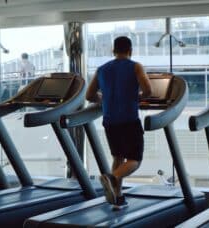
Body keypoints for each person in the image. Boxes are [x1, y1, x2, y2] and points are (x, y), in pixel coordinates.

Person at [86, 36, 152, 210]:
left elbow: (89, 95)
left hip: (109, 121)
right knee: (134, 159)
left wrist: (104, 99)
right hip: (129, 120)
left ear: (113, 51)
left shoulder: (101, 69)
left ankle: (117, 198)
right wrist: (135, 97)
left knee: (118, 157)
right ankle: (111, 178)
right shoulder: (136, 66)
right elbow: (148, 91)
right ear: (130, 50)